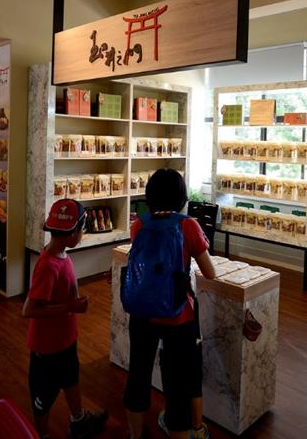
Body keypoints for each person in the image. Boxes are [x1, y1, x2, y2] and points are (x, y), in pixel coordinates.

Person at [123, 169, 215, 439]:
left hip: (142, 312)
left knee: (138, 374)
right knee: (178, 385)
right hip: (178, 315)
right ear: (181, 196)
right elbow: (210, 272)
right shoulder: (188, 225)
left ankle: (135, 434)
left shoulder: (139, 225)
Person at [22, 199, 108, 439]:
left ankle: (78, 420)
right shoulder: (48, 266)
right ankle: (42, 434)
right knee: (43, 396)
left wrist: (72, 305)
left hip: (65, 340)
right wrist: (70, 306)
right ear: (72, 233)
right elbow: (29, 309)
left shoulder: (61, 254)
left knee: (71, 379)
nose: (83, 233)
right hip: (47, 348)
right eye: (82, 229)